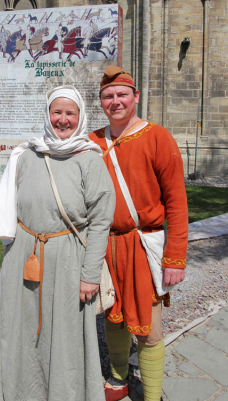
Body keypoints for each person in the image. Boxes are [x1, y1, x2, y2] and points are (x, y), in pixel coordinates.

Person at [0, 85, 116, 401]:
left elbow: (100, 223)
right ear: (47, 114)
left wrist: (89, 275)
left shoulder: (90, 160)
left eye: (70, 113)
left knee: (65, 338)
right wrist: (10, 250)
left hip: (68, 260)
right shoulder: (26, 155)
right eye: (57, 112)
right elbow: (9, 204)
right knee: (20, 331)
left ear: (80, 117)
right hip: (22, 258)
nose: (63, 120)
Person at [89, 66, 189, 401]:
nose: (115, 101)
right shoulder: (91, 142)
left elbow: (176, 201)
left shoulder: (158, 137)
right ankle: (118, 377)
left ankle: (152, 394)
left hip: (144, 245)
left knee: (149, 328)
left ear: (135, 97)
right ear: (101, 101)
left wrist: (175, 258)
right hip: (104, 246)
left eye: (121, 94)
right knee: (113, 317)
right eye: (108, 96)